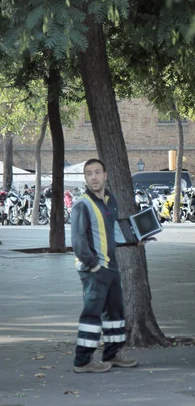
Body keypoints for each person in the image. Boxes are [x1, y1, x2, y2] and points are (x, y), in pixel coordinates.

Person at [70, 158, 138, 373]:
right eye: (89, 173)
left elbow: (113, 231)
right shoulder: (82, 204)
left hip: (111, 267)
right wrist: (94, 266)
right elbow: (78, 241)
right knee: (91, 314)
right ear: (85, 178)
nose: (93, 177)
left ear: (105, 175)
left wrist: (134, 239)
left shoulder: (111, 200)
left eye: (97, 172)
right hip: (94, 270)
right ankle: (82, 361)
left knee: (114, 313)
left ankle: (112, 354)